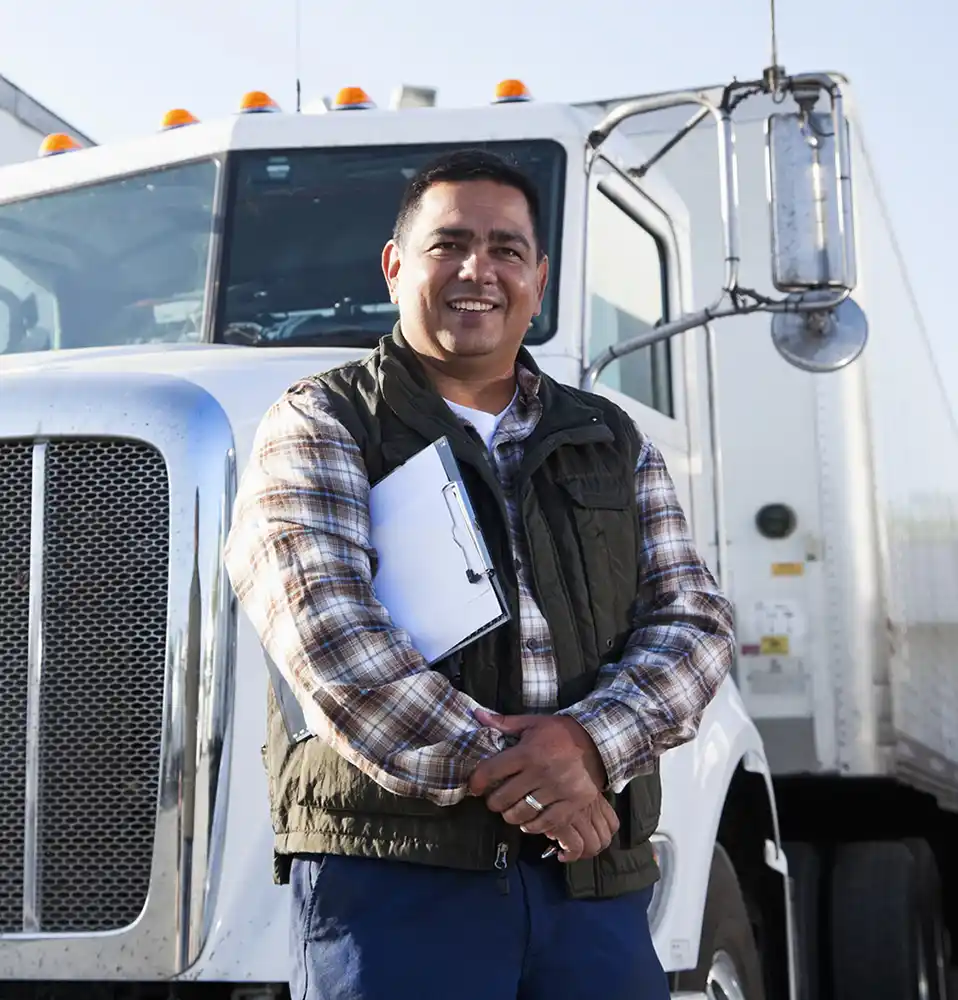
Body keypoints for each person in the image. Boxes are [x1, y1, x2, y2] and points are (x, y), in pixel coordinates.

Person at [224, 148, 735, 1000]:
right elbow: (328, 634)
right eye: (448, 244)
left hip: (590, 886)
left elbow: (695, 622)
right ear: (395, 267)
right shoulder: (322, 419)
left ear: (539, 278)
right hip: (399, 884)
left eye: (504, 249)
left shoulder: (613, 438)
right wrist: (541, 787)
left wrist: (584, 745)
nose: (477, 270)